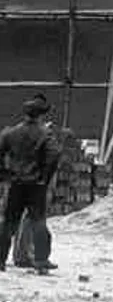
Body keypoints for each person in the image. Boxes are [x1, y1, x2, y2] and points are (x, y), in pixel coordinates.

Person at [0, 97, 61, 273]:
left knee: (8, 224)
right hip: (36, 185)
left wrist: (5, 174)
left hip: (15, 184)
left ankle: (0, 261)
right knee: (38, 223)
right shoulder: (45, 134)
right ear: (42, 115)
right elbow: (54, 155)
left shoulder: (10, 133)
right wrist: (44, 177)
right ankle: (41, 261)